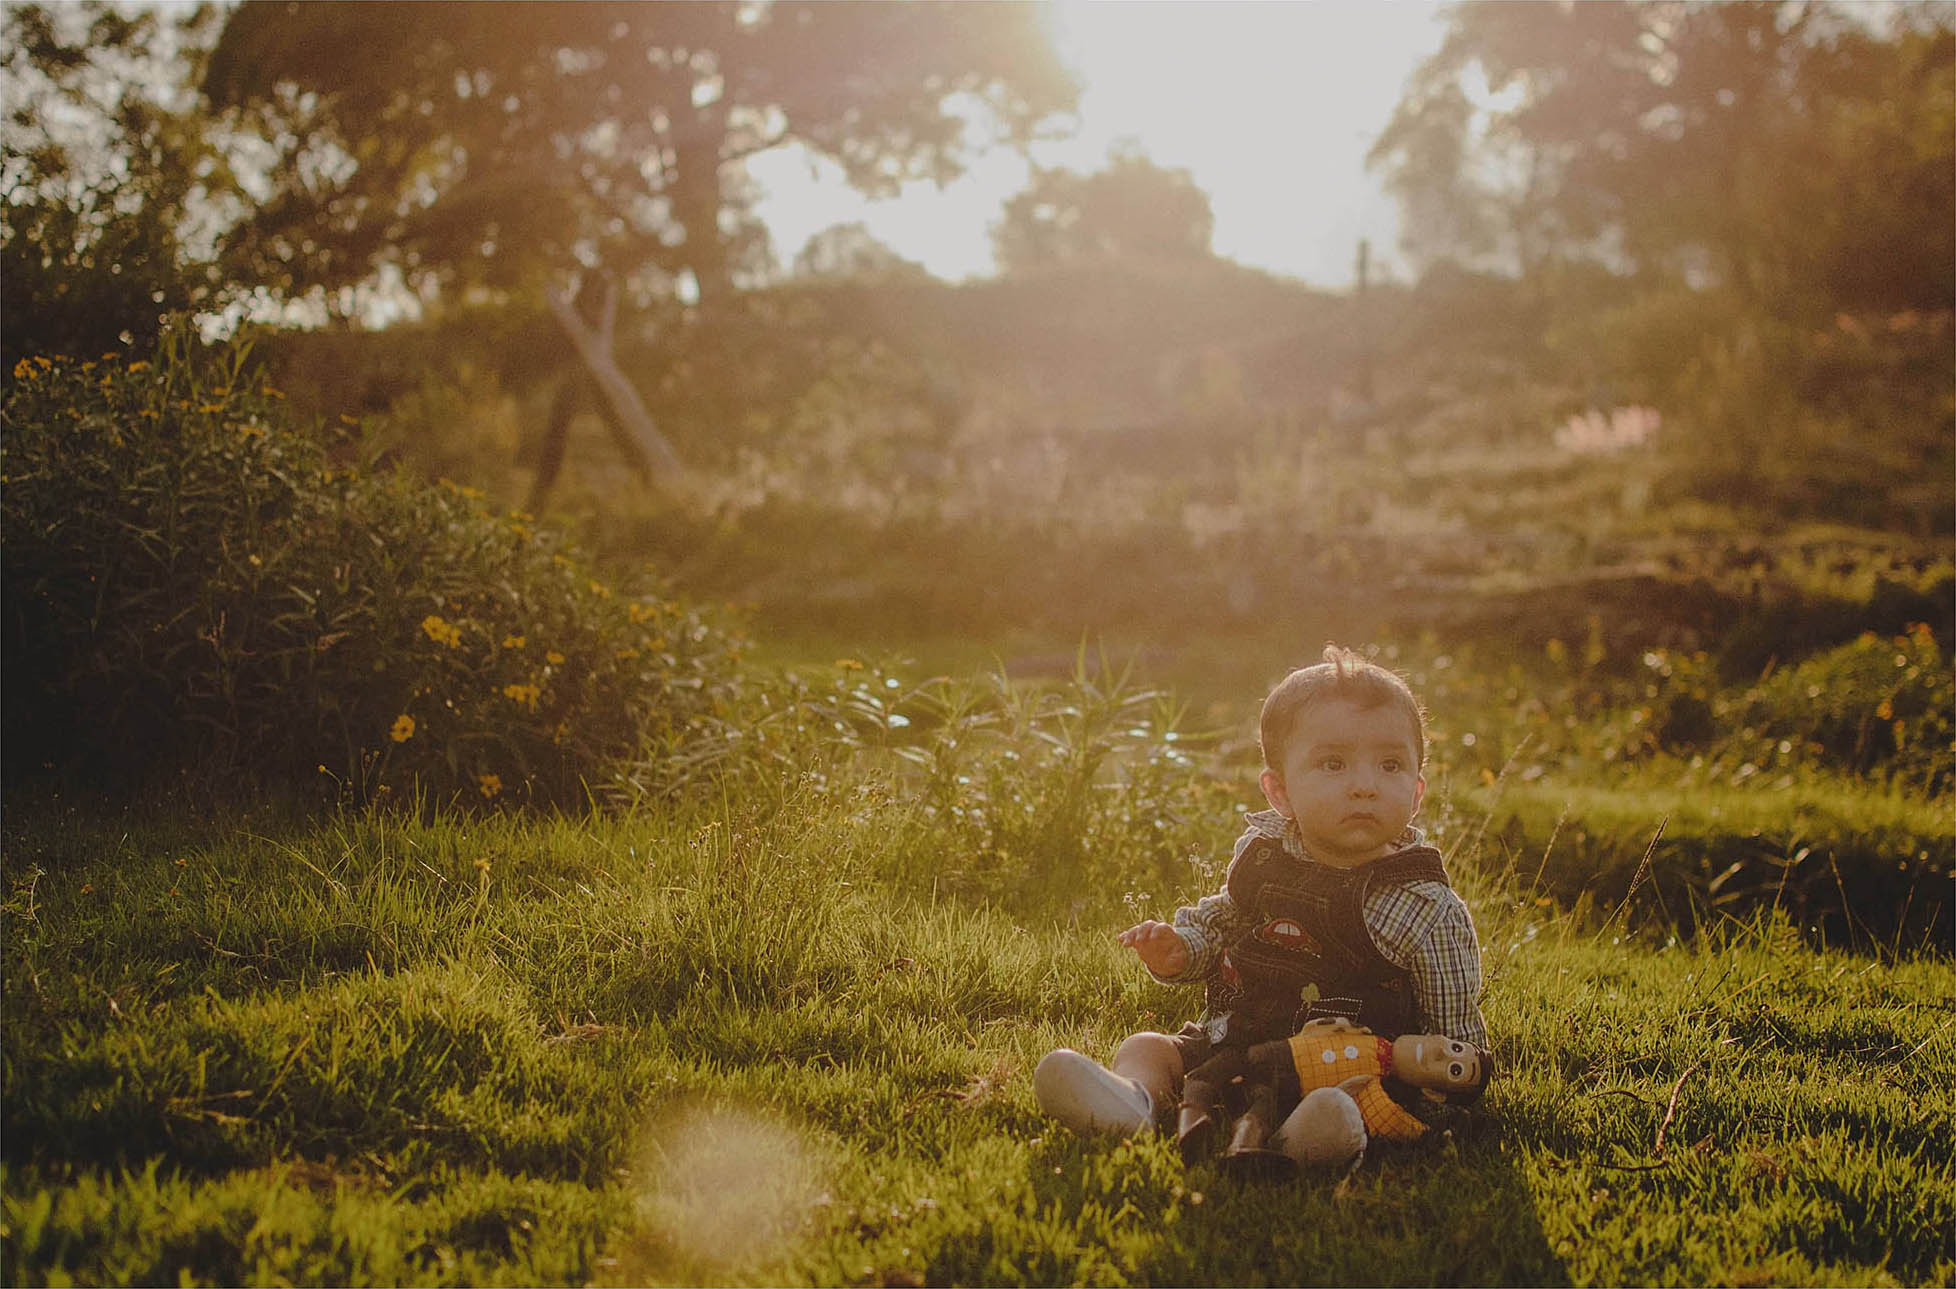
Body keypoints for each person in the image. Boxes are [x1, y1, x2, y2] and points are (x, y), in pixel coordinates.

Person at [1033, 645, 1489, 1148]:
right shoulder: (1265, 856)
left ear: (1418, 791)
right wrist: (1180, 948)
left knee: (1340, 1101)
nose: (1365, 786)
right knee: (1148, 1046)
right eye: (1333, 764)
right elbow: (1223, 921)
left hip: (1339, 1070)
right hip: (1235, 1047)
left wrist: (1446, 1090)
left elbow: (1456, 1035)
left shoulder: (1423, 906)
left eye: (1389, 765)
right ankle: (1131, 1102)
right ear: (1280, 791)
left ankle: (1308, 1138)